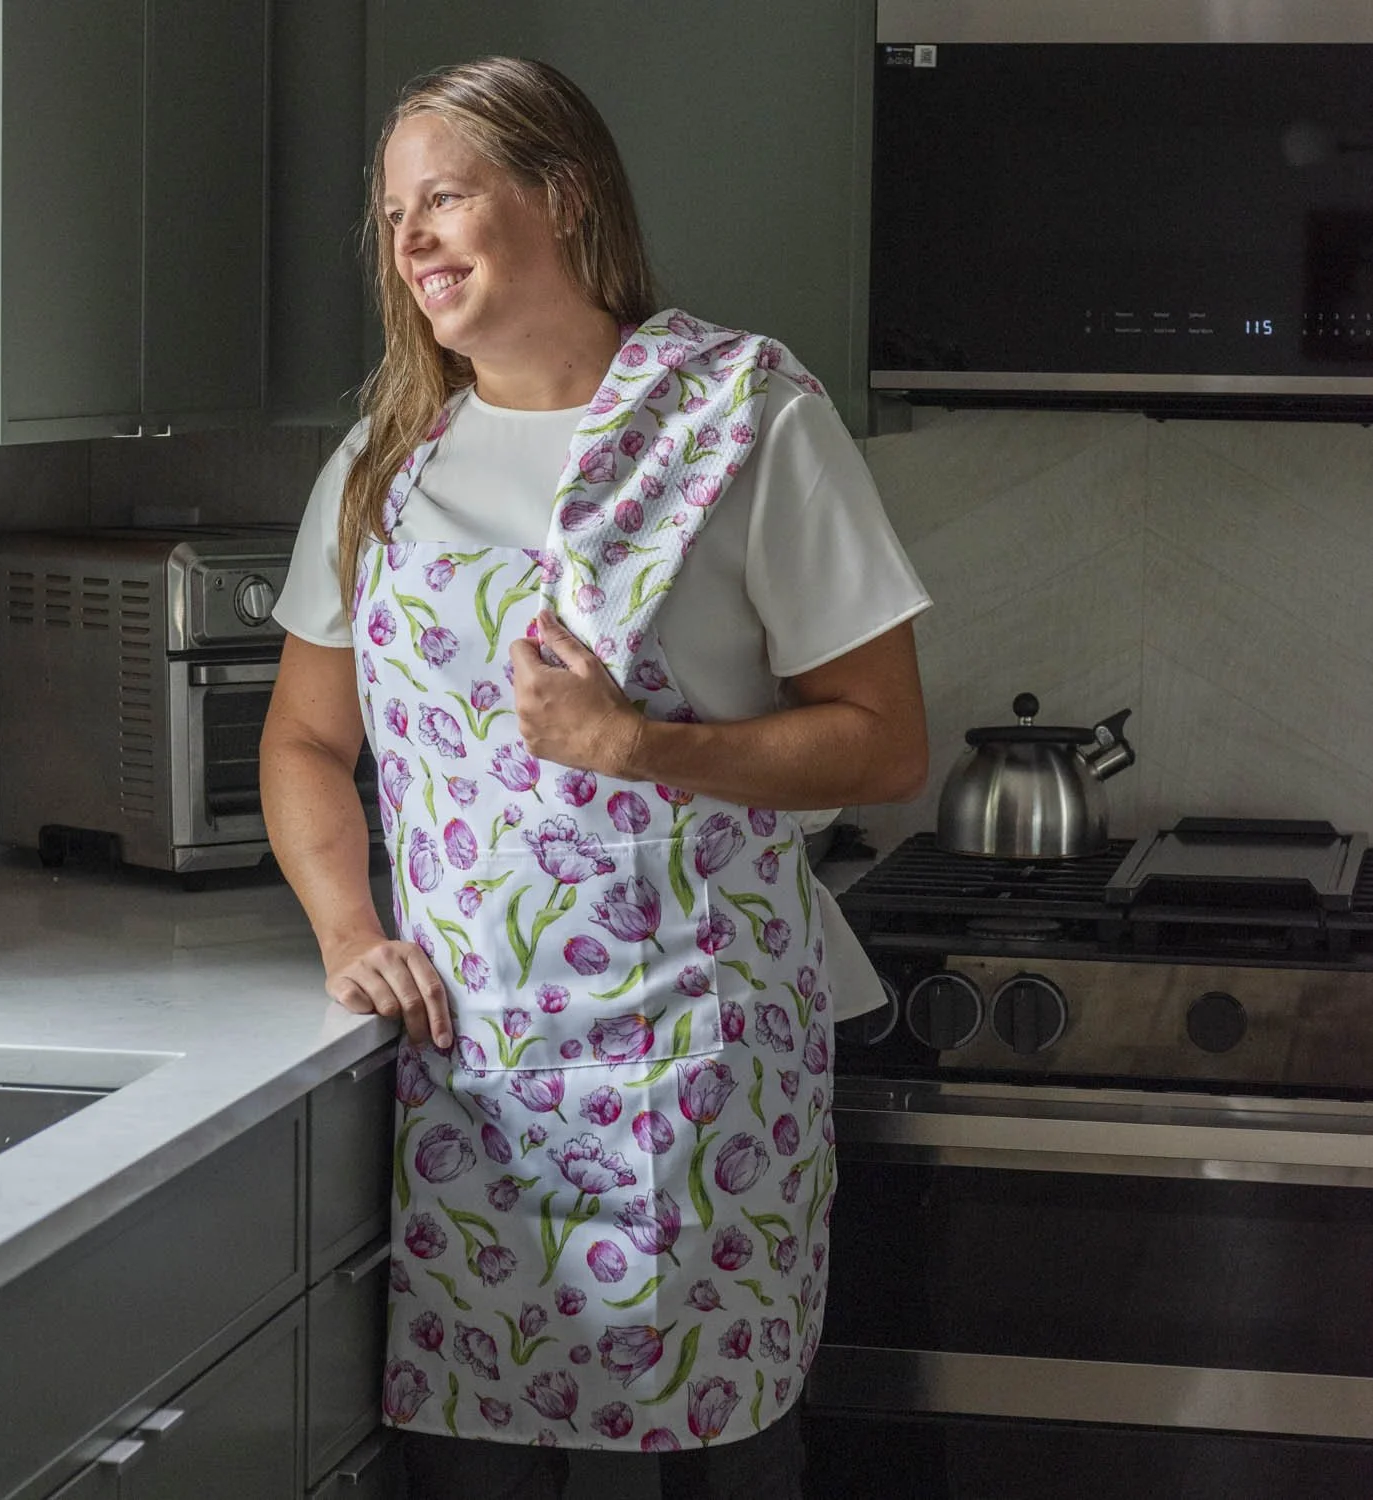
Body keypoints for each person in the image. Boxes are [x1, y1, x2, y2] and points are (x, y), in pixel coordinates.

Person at [262, 55, 930, 1500]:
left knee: (702, 1465)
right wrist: (347, 932)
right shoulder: (382, 466)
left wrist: (638, 747)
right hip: (473, 1089)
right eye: (392, 216)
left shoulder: (746, 420)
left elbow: (882, 739)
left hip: (700, 1083)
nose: (411, 240)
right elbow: (307, 741)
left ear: (559, 196)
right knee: (470, 1468)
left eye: (444, 197)